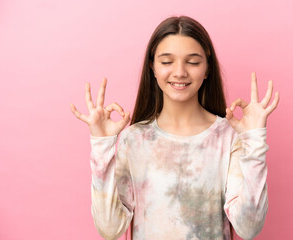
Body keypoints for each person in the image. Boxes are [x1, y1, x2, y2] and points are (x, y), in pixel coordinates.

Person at [70, 15, 279, 240]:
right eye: (167, 61)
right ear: (153, 67)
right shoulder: (134, 139)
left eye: (193, 62)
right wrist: (102, 147)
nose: (179, 72)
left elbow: (249, 228)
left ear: (207, 68)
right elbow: (110, 230)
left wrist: (255, 141)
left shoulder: (228, 137)